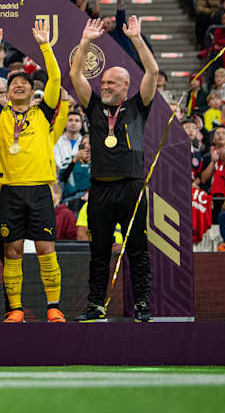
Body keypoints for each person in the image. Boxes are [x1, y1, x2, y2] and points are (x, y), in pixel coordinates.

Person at [69, 16, 157, 323]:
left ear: (125, 85)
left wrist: (135, 38)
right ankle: (96, 305)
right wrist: (85, 41)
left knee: (137, 248)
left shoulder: (138, 105)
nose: (104, 86)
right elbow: (75, 73)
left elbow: (153, 71)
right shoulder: (93, 106)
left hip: (132, 186)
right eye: (103, 82)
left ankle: (143, 304)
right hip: (101, 188)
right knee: (99, 251)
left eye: (110, 83)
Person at [0, 19, 65, 323]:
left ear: (33, 91)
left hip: (40, 190)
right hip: (10, 192)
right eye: (14, 83)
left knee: (45, 249)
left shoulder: (44, 112)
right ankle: (15, 309)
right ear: (8, 92)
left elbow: (55, 77)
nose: (18, 85)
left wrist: (45, 45)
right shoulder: (0, 114)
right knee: (12, 251)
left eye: (25, 84)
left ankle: (53, 306)